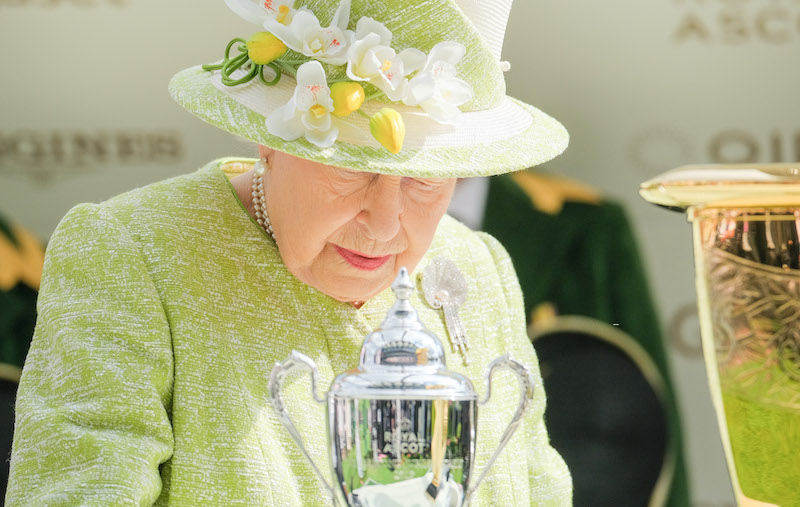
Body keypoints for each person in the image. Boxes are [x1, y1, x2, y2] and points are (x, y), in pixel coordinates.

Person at [6, 0, 573, 504]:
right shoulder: (134, 253)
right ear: (269, 139)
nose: (384, 226)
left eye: (426, 181)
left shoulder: (478, 266)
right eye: (353, 169)